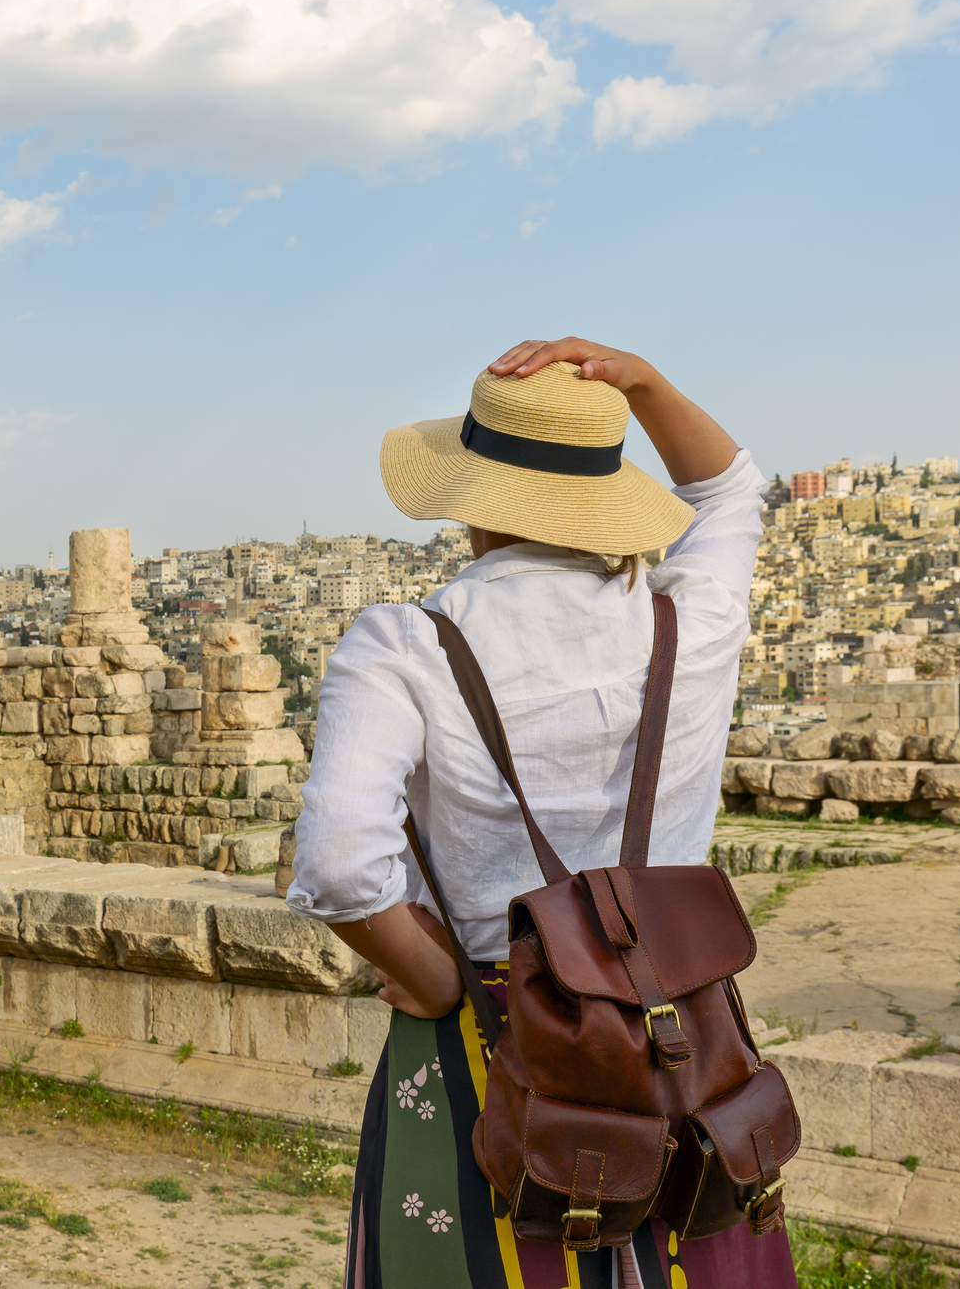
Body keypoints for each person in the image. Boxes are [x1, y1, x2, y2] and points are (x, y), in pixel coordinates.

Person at [286, 338, 792, 1288]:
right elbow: (729, 491)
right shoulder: (693, 619)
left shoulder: (407, 644)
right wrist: (636, 380)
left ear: (470, 498)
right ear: (602, 492)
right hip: (680, 1043)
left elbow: (341, 866)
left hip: (494, 1039)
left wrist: (435, 980)